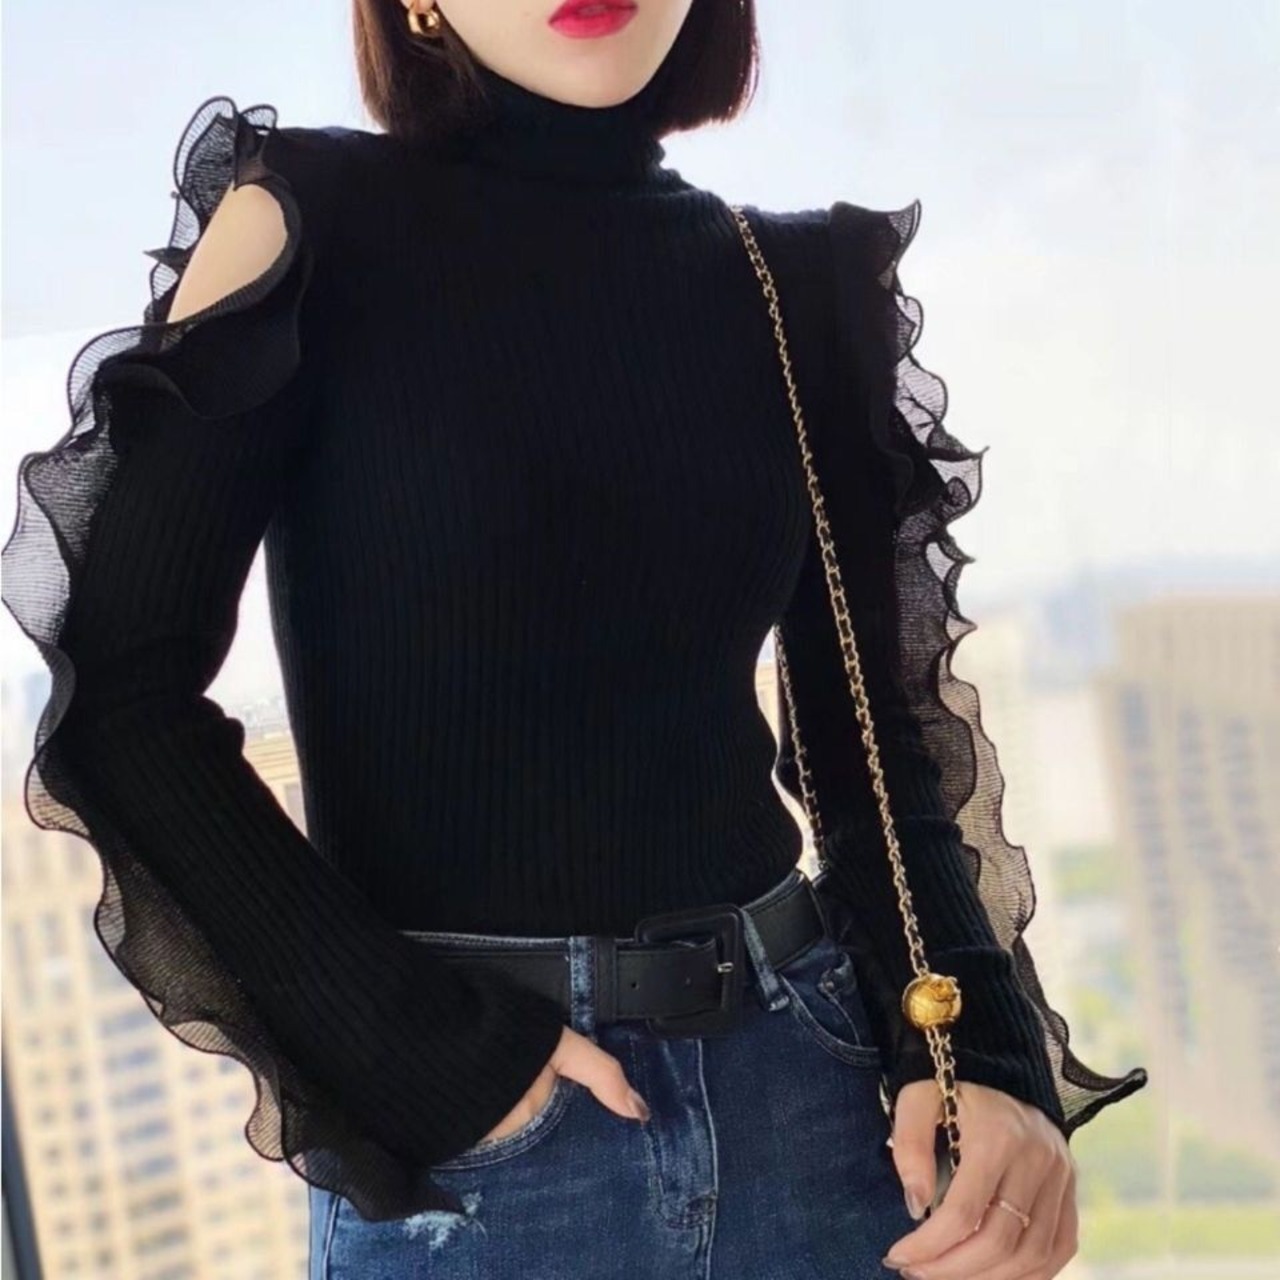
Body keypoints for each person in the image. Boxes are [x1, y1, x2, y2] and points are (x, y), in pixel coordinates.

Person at [2, 1, 1148, 1276]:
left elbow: (873, 740)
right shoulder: (310, 224)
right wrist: (424, 1057)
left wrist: (984, 1054)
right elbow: (121, 698)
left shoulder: (793, 285)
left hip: (820, 1105)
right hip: (488, 1160)